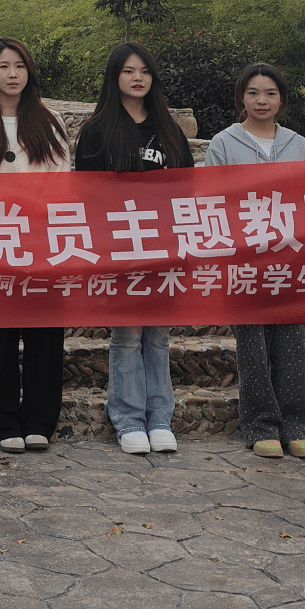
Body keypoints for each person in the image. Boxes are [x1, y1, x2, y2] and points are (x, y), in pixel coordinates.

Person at [74, 42, 193, 457]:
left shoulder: (169, 129)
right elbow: (87, 193)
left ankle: (160, 419)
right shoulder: (97, 130)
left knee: (158, 336)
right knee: (126, 336)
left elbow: (188, 189)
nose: (137, 78)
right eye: (128, 71)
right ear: (115, 77)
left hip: (164, 247)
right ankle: (127, 420)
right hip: (120, 247)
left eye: (144, 71)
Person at [0, 36, 72, 452]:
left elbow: (61, 178)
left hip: (43, 241)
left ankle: (40, 420)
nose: (12, 74)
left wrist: (34, 214)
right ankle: (2, 421)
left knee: (45, 335)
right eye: (4, 66)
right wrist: (10, 214)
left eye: (20, 66)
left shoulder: (50, 121)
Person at [205, 61, 305, 461]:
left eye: (270, 93)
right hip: (245, 261)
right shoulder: (223, 143)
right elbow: (213, 201)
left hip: (291, 259)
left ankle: (297, 426)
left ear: (281, 99)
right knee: (252, 346)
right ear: (242, 97)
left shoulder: (298, 144)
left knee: (294, 344)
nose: (262, 100)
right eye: (253, 93)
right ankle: (261, 425)